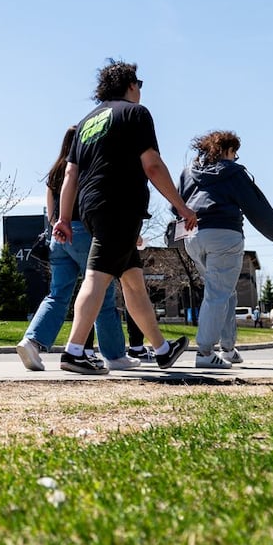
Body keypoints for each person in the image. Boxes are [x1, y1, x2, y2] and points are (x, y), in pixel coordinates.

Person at [53, 59, 195, 374]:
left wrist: (63, 217)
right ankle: (74, 351)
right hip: (119, 204)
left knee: (133, 281)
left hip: (92, 206)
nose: (140, 91)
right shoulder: (135, 113)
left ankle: (160, 349)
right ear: (131, 85)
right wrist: (182, 207)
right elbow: (153, 165)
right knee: (96, 277)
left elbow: (70, 175)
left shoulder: (87, 121)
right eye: (139, 85)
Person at [16, 127, 137, 374]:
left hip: (59, 236)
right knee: (102, 291)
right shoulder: (88, 167)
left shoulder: (55, 171)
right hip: (84, 232)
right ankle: (115, 354)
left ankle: (32, 341)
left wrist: (60, 229)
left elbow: (52, 214)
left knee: (57, 295)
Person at [178, 130, 273, 368]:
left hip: (193, 237)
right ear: (226, 150)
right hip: (224, 235)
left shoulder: (188, 173)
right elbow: (258, 208)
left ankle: (228, 348)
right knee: (218, 294)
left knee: (225, 292)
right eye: (234, 153)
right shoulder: (233, 172)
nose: (235, 158)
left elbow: (177, 204)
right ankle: (205, 353)